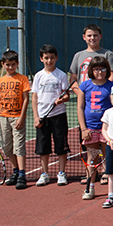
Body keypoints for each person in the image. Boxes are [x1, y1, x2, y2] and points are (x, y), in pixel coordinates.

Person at [76, 56, 113, 199]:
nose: (99, 72)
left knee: (108, 158)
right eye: (96, 69)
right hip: (90, 130)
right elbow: (80, 108)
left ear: (107, 70)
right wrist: (83, 129)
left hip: (107, 129)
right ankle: (90, 188)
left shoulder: (112, 86)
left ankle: (112, 188)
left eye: (103, 68)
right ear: (91, 70)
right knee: (92, 160)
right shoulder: (84, 86)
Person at [31, 45, 71, 187]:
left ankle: (61, 173)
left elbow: (67, 95)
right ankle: (45, 174)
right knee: (43, 147)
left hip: (58, 115)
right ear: (41, 59)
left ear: (56, 58)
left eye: (52, 58)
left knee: (61, 146)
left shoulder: (61, 75)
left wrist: (62, 99)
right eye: (46, 58)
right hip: (42, 116)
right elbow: (34, 97)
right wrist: (36, 117)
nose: (49, 60)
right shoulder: (38, 76)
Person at [0, 50, 30, 190]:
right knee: (7, 147)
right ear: (3, 64)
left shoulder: (22, 79)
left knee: (19, 146)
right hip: (3, 118)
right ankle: (14, 171)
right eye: (7, 65)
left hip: (17, 118)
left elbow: (26, 99)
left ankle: (22, 174)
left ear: (17, 64)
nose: (10, 67)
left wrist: (21, 117)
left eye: (13, 65)